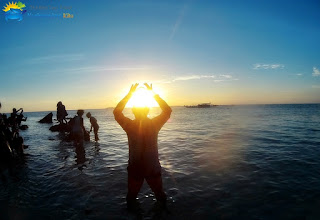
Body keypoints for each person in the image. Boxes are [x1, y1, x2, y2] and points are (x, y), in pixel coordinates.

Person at [113, 83, 172, 209]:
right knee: (160, 195)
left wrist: (130, 94)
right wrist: (152, 93)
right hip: (152, 167)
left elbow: (116, 112)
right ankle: (163, 214)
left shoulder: (129, 126)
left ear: (133, 112)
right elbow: (168, 111)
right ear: (147, 111)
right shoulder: (154, 124)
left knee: (131, 197)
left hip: (136, 166)